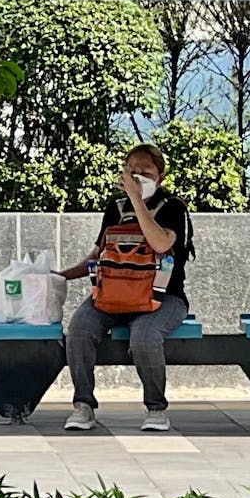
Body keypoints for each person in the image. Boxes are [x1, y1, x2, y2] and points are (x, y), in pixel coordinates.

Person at [57, 143, 193, 433]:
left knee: (145, 336)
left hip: (163, 298)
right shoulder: (115, 209)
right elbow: (98, 254)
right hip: (112, 295)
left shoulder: (173, 208)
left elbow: (160, 244)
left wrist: (138, 201)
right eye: (132, 171)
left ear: (160, 177)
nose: (137, 177)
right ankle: (83, 405)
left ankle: (156, 409)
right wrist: (62, 275)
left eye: (145, 172)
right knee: (80, 328)